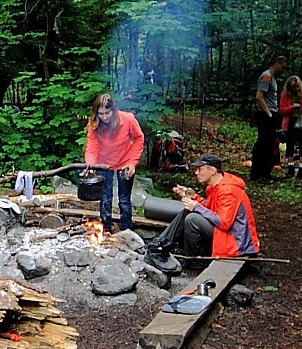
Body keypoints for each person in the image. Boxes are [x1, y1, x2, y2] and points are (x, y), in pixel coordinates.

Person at [144, 154, 260, 272]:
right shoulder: (215, 187)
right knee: (188, 211)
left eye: (200, 169)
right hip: (224, 235)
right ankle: (158, 246)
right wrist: (193, 196)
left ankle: (196, 262)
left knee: (192, 219)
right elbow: (211, 209)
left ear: (213, 170)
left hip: (235, 244)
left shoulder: (228, 191)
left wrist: (196, 207)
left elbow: (224, 223)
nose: (196, 172)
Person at [84, 93, 145, 232]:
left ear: (114, 110)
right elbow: (91, 147)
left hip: (125, 162)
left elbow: (139, 139)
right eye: (101, 113)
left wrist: (132, 162)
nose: (104, 117)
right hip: (103, 164)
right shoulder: (94, 123)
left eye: (107, 113)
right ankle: (105, 231)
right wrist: (91, 165)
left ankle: (126, 231)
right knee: (105, 198)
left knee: (124, 200)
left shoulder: (128, 119)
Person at [250, 56, 287, 183]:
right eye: (282, 67)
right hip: (265, 115)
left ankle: (266, 173)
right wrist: (269, 113)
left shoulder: (272, 77)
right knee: (263, 144)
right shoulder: (266, 77)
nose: (283, 70)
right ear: (277, 63)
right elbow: (259, 96)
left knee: (271, 145)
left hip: (271, 114)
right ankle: (257, 174)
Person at [279, 75, 302, 179]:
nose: (295, 89)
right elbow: (282, 110)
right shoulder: (285, 95)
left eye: (297, 87)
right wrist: (292, 107)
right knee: (290, 145)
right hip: (290, 121)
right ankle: (290, 168)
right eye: (293, 87)